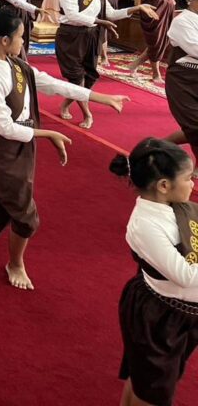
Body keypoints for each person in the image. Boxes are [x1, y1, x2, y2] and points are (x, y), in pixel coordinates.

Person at [0, 7, 125, 291]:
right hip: (2, 148)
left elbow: (50, 84)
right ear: (5, 40)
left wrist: (99, 97)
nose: (23, 42)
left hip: (20, 141)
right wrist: (47, 133)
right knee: (25, 215)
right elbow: (5, 127)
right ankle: (15, 264)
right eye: (20, 37)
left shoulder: (15, 64)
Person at [111, 138, 198, 406]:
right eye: (188, 178)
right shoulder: (145, 225)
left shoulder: (173, 205)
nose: (193, 183)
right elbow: (185, 275)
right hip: (160, 317)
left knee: (146, 380)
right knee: (152, 391)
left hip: (182, 313)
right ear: (163, 185)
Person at [55, 0, 153, 129]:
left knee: (89, 76)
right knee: (77, 76)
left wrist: (137, 8)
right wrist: (99, 22)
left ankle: (66, 104)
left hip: (91, 36)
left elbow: (112, 14)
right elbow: (72, 14)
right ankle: (87, 114)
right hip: (71, 37)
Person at [166, 0, 198, 152]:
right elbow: (195, 49)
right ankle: (155, 148)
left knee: (194, 129)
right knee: (194, 126)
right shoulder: (182, 21)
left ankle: (156, 147)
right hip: (184, 81)